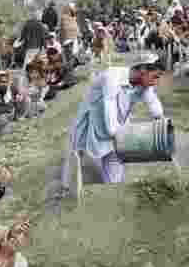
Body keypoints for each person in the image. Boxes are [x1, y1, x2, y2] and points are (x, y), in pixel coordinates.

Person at [67, 54, 163, 184]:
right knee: (80, 163)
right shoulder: (112, 77)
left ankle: (112, 188)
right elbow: (109, 106)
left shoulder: (144, 83)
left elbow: (153, 102)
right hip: (92, 123)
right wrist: (118, 133)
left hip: (117, 123)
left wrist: (160, 119)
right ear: (143, 71)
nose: (155, 82)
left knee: (115, 163)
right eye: (155, 77)